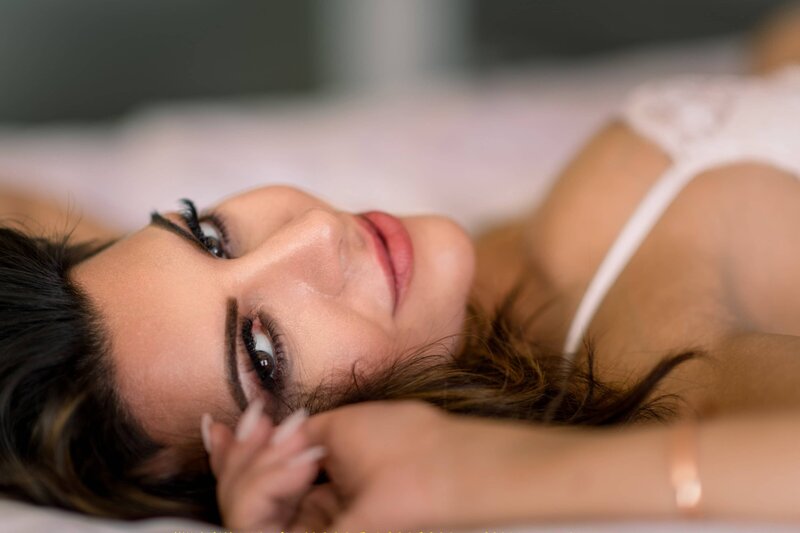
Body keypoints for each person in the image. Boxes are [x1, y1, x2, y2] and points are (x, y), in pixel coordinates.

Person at [2, 7, 800, 530]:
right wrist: (475, 477)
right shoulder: (663, 345)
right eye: (266, 352)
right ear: (306, 454)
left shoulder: (491, 288)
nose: (314, 233)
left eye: (210, 234)